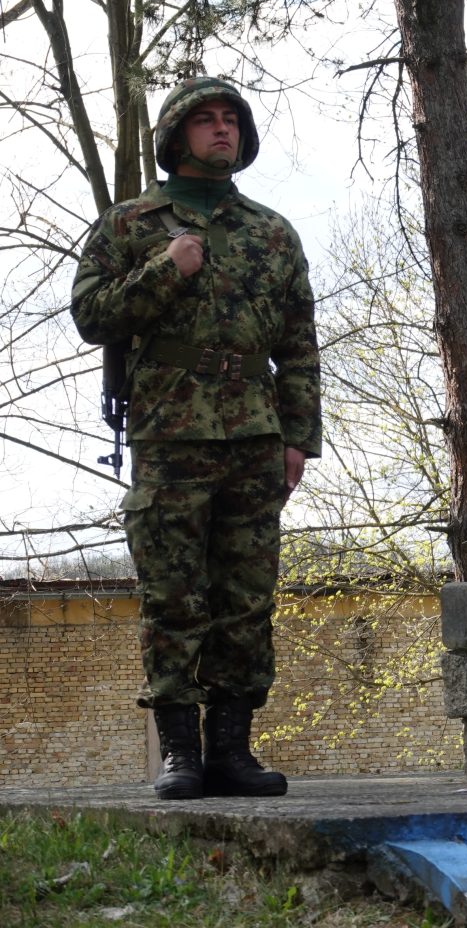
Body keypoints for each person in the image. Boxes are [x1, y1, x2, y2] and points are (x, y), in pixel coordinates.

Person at [72, 76, 322, 799]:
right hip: (169, 432)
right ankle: (180, 751)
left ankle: (232, 752)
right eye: (206, 121)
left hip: (253, 432)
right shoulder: (130, 224)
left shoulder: (272, 232)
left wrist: (297, 437)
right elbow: (92, 314)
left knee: (246, 597)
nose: (222, 131)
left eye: (231, 120)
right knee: (175, 594)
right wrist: (165, 269)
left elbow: (300, 343)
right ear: (177, 137)